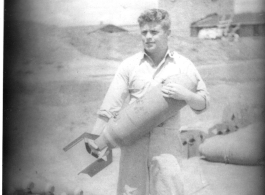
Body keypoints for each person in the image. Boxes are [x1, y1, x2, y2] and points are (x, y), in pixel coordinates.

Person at [88, 9, 210, 195]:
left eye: (154, 32)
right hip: (132, 143)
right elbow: (109, 107)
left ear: (167, 33)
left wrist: (186, 95)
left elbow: (203, 103)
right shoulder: (129, 66)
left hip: (166, 147)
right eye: (144, 32)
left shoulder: (184, 66)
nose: (148, 37)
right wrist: (96, 138)